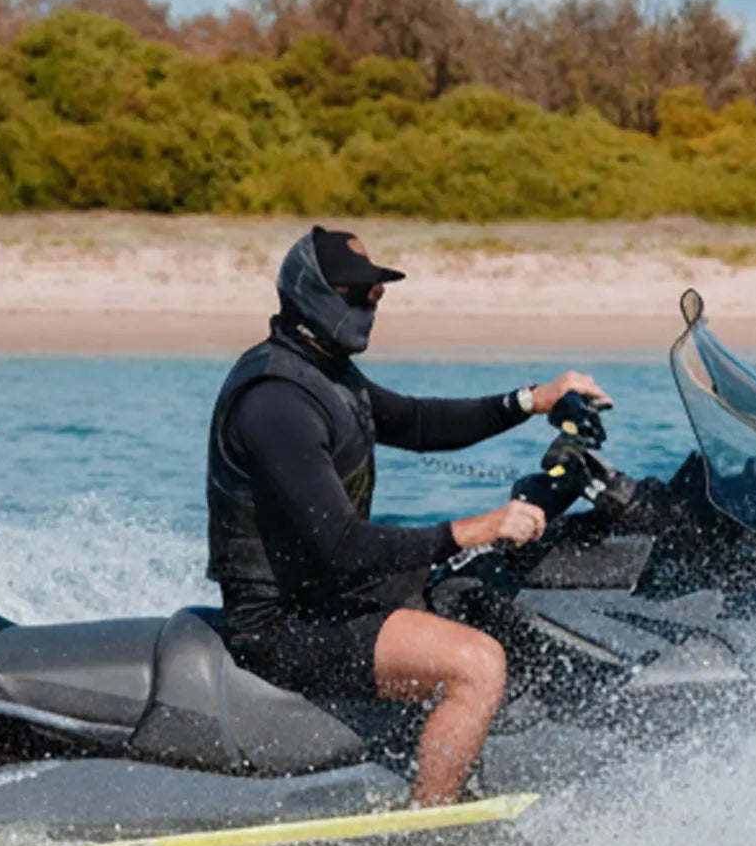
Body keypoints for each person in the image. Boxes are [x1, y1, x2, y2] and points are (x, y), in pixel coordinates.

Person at [207, 226, 610, 807]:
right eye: (359, 291)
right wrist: (476, 528)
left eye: (376, 289)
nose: (374, 299)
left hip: (326, 596)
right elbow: (342, 547)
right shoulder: (276, 403)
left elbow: (420, 423)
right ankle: (428, 832)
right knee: (477, 665)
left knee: (469, 595)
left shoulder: (326, 373)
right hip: (280, 624)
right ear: (313, 294)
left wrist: (534, 399)